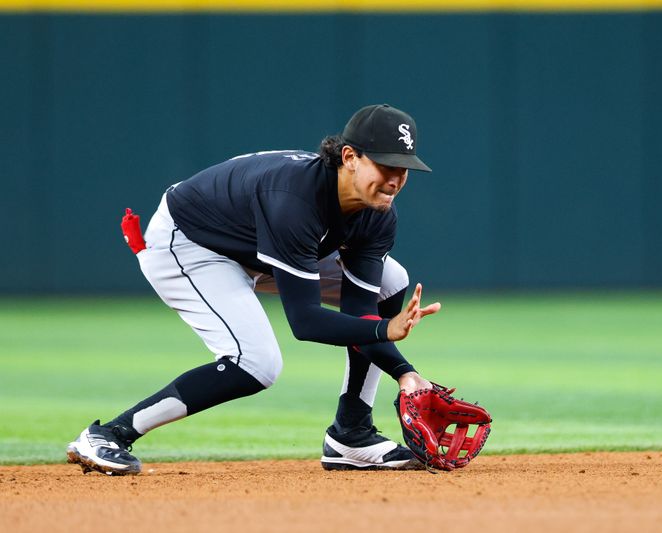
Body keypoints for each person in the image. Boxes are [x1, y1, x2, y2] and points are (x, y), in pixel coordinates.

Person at [66, 104, 440, 475]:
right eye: (386, 165)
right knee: (256, 363)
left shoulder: (377, 215)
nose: (395, 179)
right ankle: (108, 434)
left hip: (260, 249)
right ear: (350, 157)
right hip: (191, 243)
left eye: (403, 168)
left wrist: (406, 374)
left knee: (391, 282)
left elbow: (362, 312)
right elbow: (306, 322)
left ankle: (352, 434)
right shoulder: (296, 200)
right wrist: (385, 330)